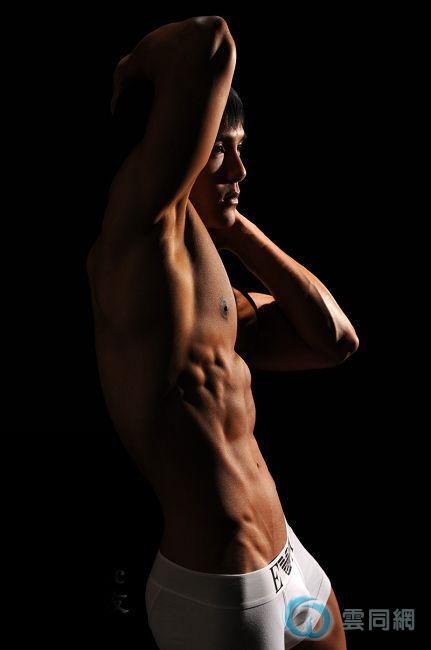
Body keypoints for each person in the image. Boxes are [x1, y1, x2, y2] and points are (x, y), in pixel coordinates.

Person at [87, 16, 357, 648]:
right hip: (221, 591)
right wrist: (133, 65)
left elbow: (335, 340)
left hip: (291, 563)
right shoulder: (138, 242)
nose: (239, 166)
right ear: (176, 146)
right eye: (219, 148)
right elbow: (211, 41)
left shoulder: (211, 300)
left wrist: (235, 231)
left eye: (241, 147)